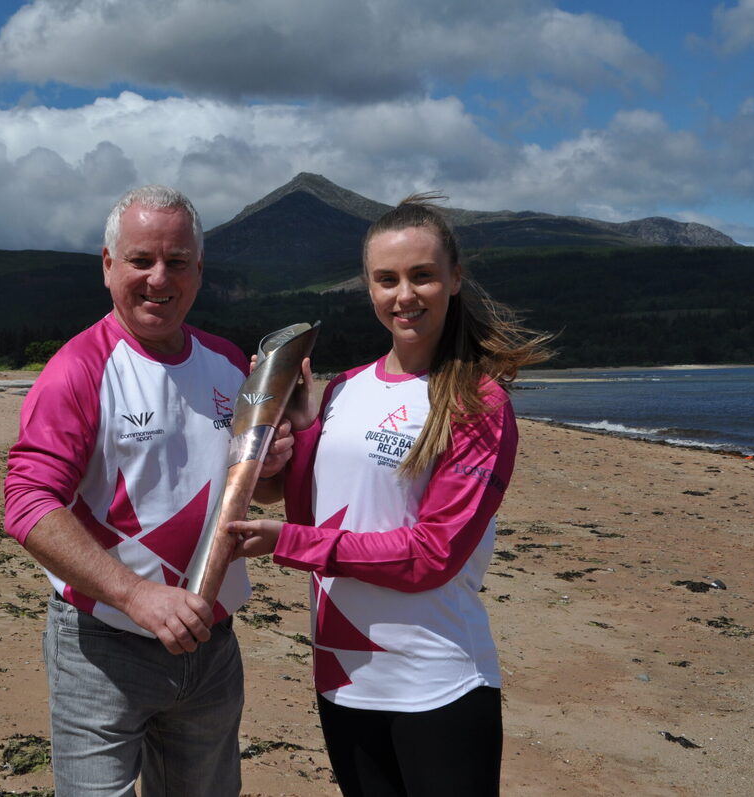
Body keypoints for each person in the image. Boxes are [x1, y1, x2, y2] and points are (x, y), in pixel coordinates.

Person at [231, 193, 553, 797]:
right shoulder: (344, 390)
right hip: (343, 675)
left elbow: (432, 556)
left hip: (436, 680)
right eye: (387, 279)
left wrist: (287, 540)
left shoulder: (477, 402)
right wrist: (301, 424)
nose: (404, 295)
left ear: (454, 279)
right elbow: (314, 519)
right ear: (369, 287)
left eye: (422, 275)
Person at [4, 184, 289, 796]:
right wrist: (137, 596)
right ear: (108, 266)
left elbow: (254, 493)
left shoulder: (230, 363)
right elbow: (27, 505)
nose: (159, 278)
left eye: (177, 261)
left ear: (199, 270)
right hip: (104, 647)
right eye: (141, 260)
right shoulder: (78, 369)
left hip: (212, 647)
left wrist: (268, 473)